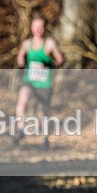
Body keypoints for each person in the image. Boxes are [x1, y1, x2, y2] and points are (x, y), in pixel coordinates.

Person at [13, 10, 64, 148]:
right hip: (29, 80)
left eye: (41, 27)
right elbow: (20, 56)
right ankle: (20, 130)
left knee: (43, 110)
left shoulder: (49, 43)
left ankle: (46, 137)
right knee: (22, 101)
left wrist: (49, 63)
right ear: (31, 28)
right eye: (36, 27)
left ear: (45, 28)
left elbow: (60, 60)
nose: (38, 30)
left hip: (44, 83)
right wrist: (21, 67)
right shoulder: (27, 44)